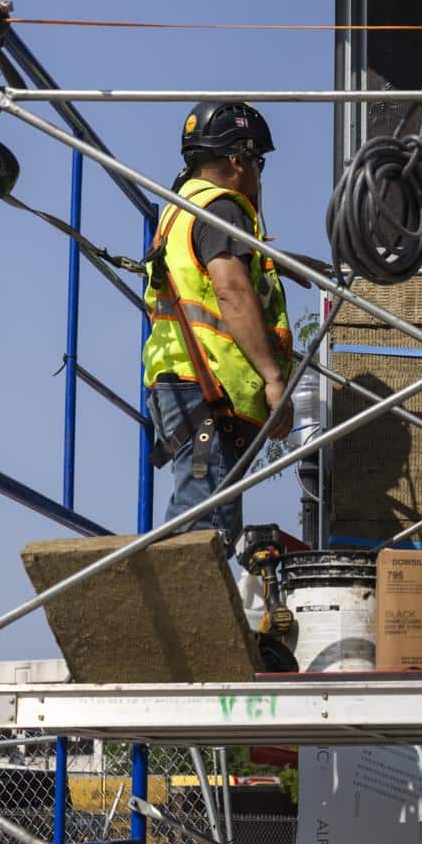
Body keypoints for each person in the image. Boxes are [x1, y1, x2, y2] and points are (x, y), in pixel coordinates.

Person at [142, 100, 292, 547]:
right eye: (258, 162)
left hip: (184, 380)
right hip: (204, 384)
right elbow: (230, 290)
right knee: (203, 532)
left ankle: (173, 614)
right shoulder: (222, 210)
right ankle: (170, 619)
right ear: (236, 159)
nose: (259, 176)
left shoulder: (181, 208)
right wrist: (272, 376)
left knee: (205, 520)